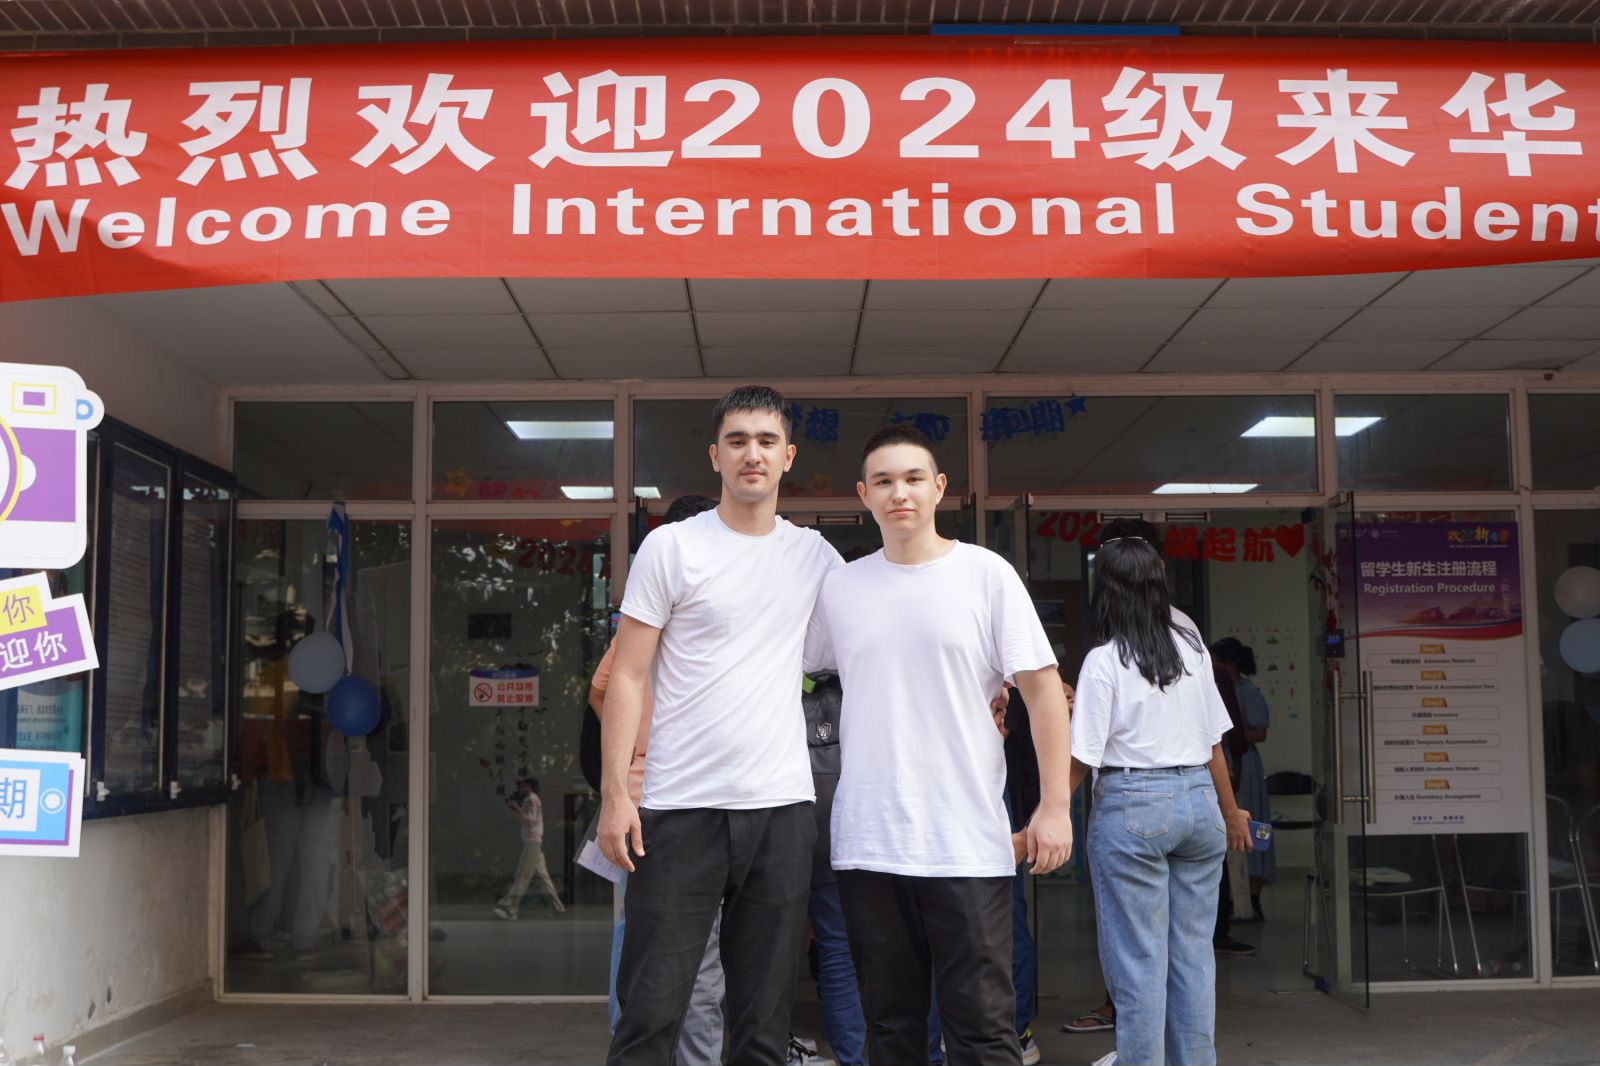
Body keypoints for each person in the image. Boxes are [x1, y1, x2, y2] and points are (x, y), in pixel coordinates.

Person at [807, 424, 1074, 1066]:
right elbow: (792, 672)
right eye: (883, 481)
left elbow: (1043, 692)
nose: (899, 492)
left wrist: (1055, 805)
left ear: (940, 488)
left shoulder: (985, 575)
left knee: (982, 1029)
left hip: (965, 840)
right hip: (868, 841)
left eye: (913, 478)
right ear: (863, 496)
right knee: (891, 1028)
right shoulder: (840, 588)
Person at [599, 386, 843, 1066]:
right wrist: (616, 795)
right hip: (681, 809)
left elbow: (876, 646)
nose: (751, 454)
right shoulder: (672, 548)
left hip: (781, 810)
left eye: (766, 441)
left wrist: (987, 688)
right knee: (650, 1015)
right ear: (715, 456)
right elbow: (626, 675)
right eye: (737, 441)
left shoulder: (816, 557)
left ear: (788, 456)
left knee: (763, 1026)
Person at [1070, 535, 1252, 1066]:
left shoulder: (1104, 661)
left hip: (1134, 805)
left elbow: (1083, 756)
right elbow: (1214, 742)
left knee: (1139, 962)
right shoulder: (1193, 651)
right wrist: (1230, 812)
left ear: (1105, 589)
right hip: (1199, 803)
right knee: (1194, 957)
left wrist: (1049, 812)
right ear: (1159, 584)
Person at [590, 494, 726, 1066]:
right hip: (671, 798)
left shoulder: (646, 619)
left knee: (641, 935)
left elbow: (601, 691)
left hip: (645, 794)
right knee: (700, 952)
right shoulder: (685, 612)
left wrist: (633, 752)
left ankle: (629, 1038)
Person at [1210, 637, 1276, 921]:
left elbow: (1260, 732)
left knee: (1252, 826)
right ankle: (1235, 899)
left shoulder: (1247, 692)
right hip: (1225, 759)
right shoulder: (1218, 688)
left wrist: (1228, 736)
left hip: (1243, 763)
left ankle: (1253, 897)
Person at [494, 777, 565, 919]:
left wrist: (517, 809)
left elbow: (531, 821)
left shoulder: (532, 799)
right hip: (531, 842)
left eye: (522, 786)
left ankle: (511, 908)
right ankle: (558, 907)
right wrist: (517, 810)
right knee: (543, 876)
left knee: (523, 875)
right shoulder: (529, 800)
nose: (520, 788)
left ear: (529, 786)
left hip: (533, 842)